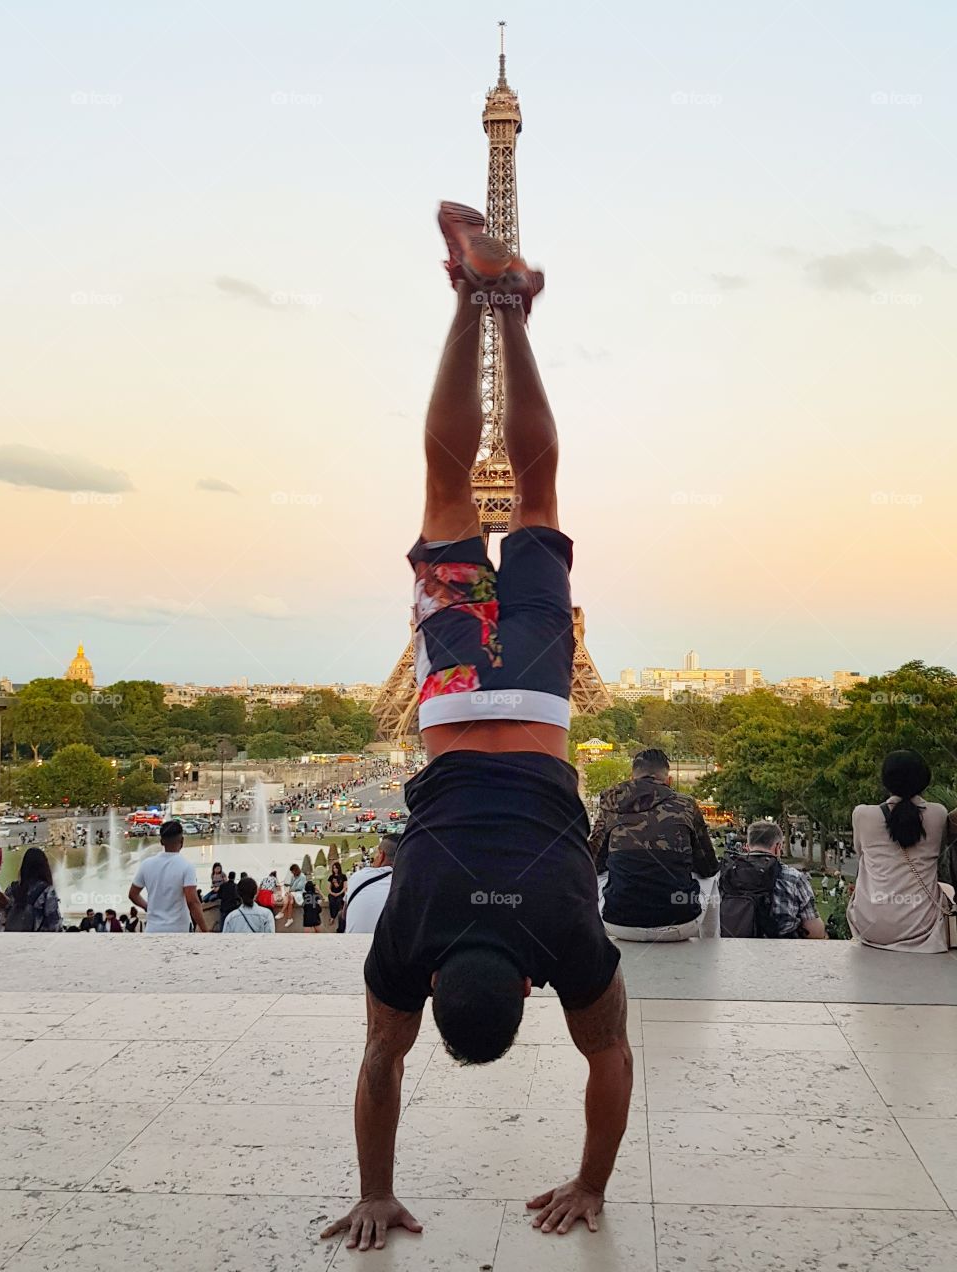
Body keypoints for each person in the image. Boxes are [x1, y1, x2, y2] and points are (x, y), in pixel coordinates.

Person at [322, 204, 630, 1253]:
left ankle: (509, 304)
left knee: (536, 492)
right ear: (444, 982)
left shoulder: (566, 938)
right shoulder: (412, 935)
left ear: (531, 987)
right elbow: (378, 1062)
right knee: (451, 488)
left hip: (539, 705)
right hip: (455, 701)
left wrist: (591, 1179)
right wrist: (373, 1189)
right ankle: (474, 297)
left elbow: (611, 1061)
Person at [588, 749, 719, 941]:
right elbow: (708, 867)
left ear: (632, 778)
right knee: (712, 880)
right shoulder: (686, 804)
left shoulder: (611, 804)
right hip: (681, 923)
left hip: (619, 922)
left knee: (599, 874)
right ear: (669, 781)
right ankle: (711, 948)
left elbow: (592, 862)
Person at [847, 750, 951, 952]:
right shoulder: (938, 813)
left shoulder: (862, 814)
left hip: (871, 925)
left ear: (885, 780)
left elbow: (861, 854)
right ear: (924, 780)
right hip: (922, 926)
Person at [720, 821, 827, 938]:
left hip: (735, 949)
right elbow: (815, 932)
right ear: (778, 847)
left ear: (747, 847)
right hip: (781, 951)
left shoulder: (726, 874)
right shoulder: (794, 878)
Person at [128, 820, 207, 934]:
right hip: (179, 930)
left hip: (153, 929)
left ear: (161, 842)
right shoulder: (186, 866)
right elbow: (192, 902)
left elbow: (133, 894)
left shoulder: (146, 864)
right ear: (182, 841)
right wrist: (205, 930)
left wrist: (148, 907)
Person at [340, 835, 397, 935]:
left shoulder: (358, 876)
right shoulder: (412, 884)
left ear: (381, 855)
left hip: (354, 944)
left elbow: (344, 915)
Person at [3, 847, 62, 932]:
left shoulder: (11, 888)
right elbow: (54, 923)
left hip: (12, 938)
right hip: (37, 940)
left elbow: (4, 915)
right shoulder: (47, 890)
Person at [279, 863, 307, 928]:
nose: (292, 873)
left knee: (290, 897)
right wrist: (289, 890)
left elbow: (300, 887)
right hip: (293, 892)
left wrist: (291, 891)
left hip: (299, 892)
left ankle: (282, 912)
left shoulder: (303, 877)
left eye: (292, 871)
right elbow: (291, 885)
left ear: (295, 870)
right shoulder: (293, 876)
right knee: (288, 897)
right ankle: (289, 918)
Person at [326, 860, 347, 928]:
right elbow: (328, 888)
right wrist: (332, 893)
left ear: (339, 868)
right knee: (331, 902)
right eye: (333, 868)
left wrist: (338, 893)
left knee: (338, 902)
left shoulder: (343, 876)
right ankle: (333, 917)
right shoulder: (331, 877)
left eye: (336, 868)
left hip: (340, 893)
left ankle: (332, 918)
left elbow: (345, 887)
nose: (335, 869)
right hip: (332, 893)